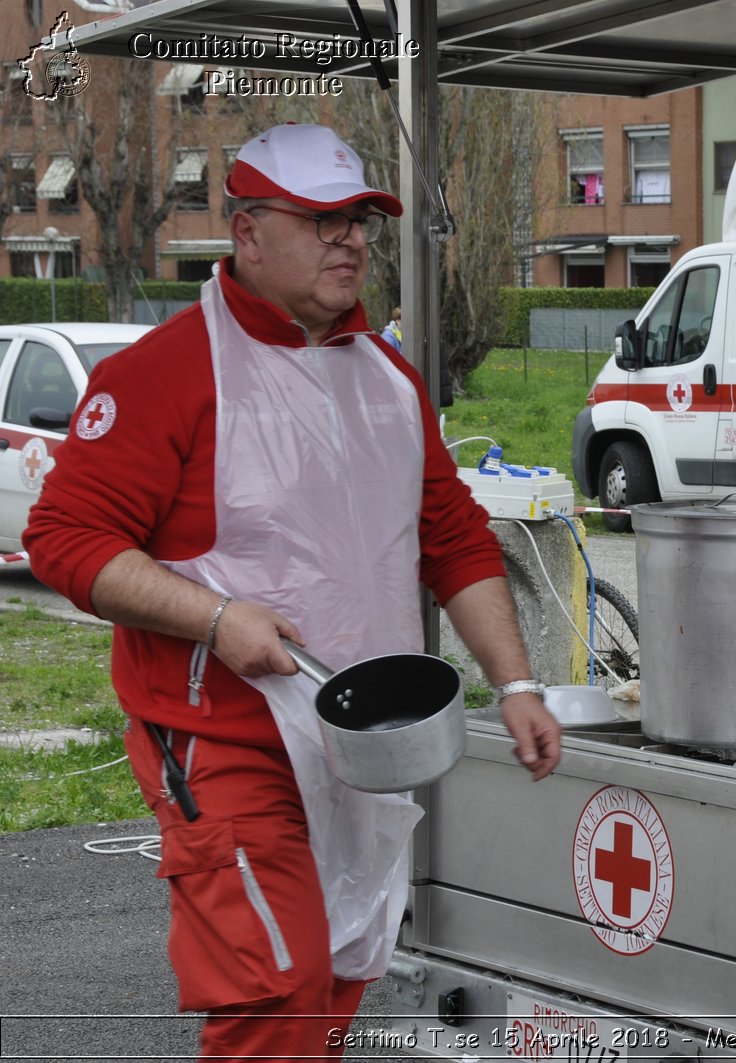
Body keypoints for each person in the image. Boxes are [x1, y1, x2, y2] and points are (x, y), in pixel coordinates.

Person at [23, 123, 561, 1062]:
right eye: (321, 220)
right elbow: (65, 541)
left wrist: (516, 686)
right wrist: (217, 617)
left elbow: (456, 538)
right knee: (276, 994)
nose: (349, 239)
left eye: (358, 219)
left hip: (365, 746)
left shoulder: (390, 377)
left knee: (339, 977)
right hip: (224, 743)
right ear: (247, 231)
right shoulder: (159, 375)